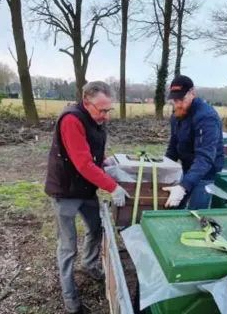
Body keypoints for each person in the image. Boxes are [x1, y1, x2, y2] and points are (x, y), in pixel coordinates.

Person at [44, 81, 129, 313]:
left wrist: (104, 162)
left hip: (85, 189)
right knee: (68, 246)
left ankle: (90, 265)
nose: (106, 116)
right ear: (86, 102)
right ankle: (70, 299)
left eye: (108, 110)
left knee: (96, 228)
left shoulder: (96, 120)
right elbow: (81, 162)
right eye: (102, 110)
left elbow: (90, 152)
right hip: (65, 191)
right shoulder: (71, 120)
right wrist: (113, 186)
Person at [163, 75, 225, 210]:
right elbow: (173, 145)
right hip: (188, 168)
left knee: (195, 214)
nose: (178, 104)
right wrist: (164, 169)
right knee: (174, 206)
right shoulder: (177, 115)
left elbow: (205, 157)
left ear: (192, 94)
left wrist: (183, 186)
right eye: (175, 100)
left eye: (182, 99)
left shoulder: (206, 118)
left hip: (206, 173)